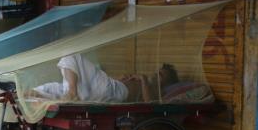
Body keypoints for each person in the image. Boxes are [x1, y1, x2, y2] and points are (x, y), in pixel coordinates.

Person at [32, 53, 179, 103]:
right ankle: (31, 92)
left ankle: (71, 92)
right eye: (157, 72)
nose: (155, 75)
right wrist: (122, 79)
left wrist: (143, 80)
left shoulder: (156, 90)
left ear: (167, 82)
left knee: (72, 56)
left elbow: (149, 104)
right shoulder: (147, 82)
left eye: (160, 74)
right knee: (59, 87)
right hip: (109, 86)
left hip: (111, 91)